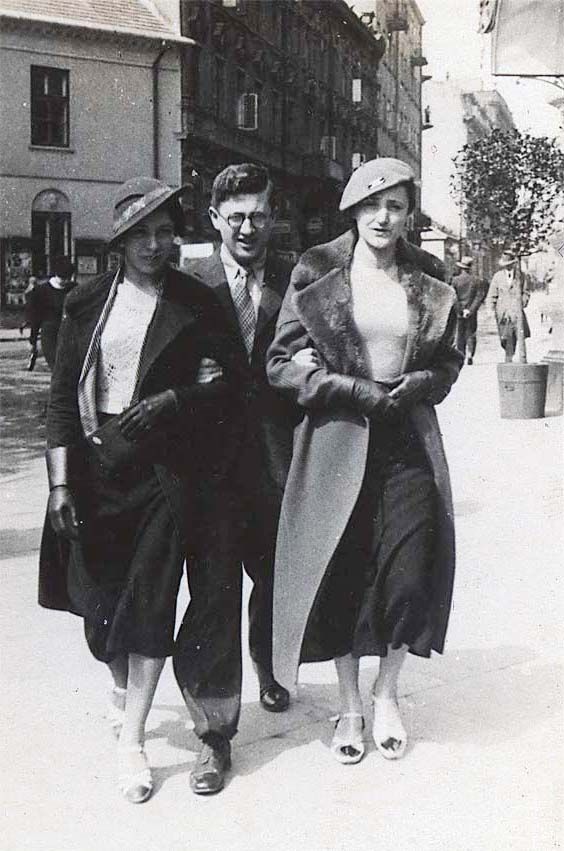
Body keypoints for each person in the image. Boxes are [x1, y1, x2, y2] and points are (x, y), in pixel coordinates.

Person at [38, 177, 237, 804]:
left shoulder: (197, 301)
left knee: (151, 602)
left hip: (166, 473)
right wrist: (60, 483)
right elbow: (62, 400)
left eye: (165, 231)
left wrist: (178, 399)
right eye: (142, 234)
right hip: (97, 470)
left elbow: (231, 385)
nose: (155, 244)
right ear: (120, 241)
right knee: (100, 610)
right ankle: (121, 688)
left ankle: (132, 740)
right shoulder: (85, 304)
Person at [267, 158, 463, 765]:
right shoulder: (316, 270)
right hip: (339, 437)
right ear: (353, 210)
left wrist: (423, 381)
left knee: (410, 571)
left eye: (395, 206)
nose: (383, 217)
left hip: (406, 438)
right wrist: (346, 388)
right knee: (343, 571)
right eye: (372, 205)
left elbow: (450, 361)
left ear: (408, 215)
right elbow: (280, 364)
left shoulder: (430, 277)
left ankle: (387, 691)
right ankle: (351, 705)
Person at [173, 163, 295, 794]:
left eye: (259, 215)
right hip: (211, 466)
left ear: (274, 217)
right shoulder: (189, 282)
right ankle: (214, 734)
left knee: (273, 578)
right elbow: (155, 358)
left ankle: (269, 665)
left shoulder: (298, 278)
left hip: (278, 458)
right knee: (214, 590)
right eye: (237, 217)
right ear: (215, 219)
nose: (249, 228)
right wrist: (184, 379)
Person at [27, 257, 76, 369]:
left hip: (69, 333)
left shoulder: (73, 289)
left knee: (70, 367)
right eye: (63, 278)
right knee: (56, 366)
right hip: (50, 334)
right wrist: (33, 340)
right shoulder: (41, 291)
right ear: (56, 275)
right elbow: (36, 317)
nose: (66, 281)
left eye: (68, 278)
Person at [487, 250, 530, 362]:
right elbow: (492, 294)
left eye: (509, 264)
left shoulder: (521, 276)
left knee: (515, 336)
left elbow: (526, 292)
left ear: (514, 264)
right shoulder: (497, 277)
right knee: (504, 338)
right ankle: (509, 353)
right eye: (505, 265)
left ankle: (510, 358)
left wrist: (522, 303)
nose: (508, 267)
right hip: (502, 313)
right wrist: (490, 309)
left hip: (516, 312)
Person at [450, 256, 487, 364]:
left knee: (459, 334)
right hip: (471, 312)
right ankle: (470, 354)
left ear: (461, 268)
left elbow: (453, 296)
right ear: (470, 268)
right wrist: (470, 310)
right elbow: (479, 297)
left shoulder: (455, 281)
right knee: (471, 333)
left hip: (458, 312)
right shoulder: (476, 280)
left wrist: (460, 310)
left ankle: (461, 355)